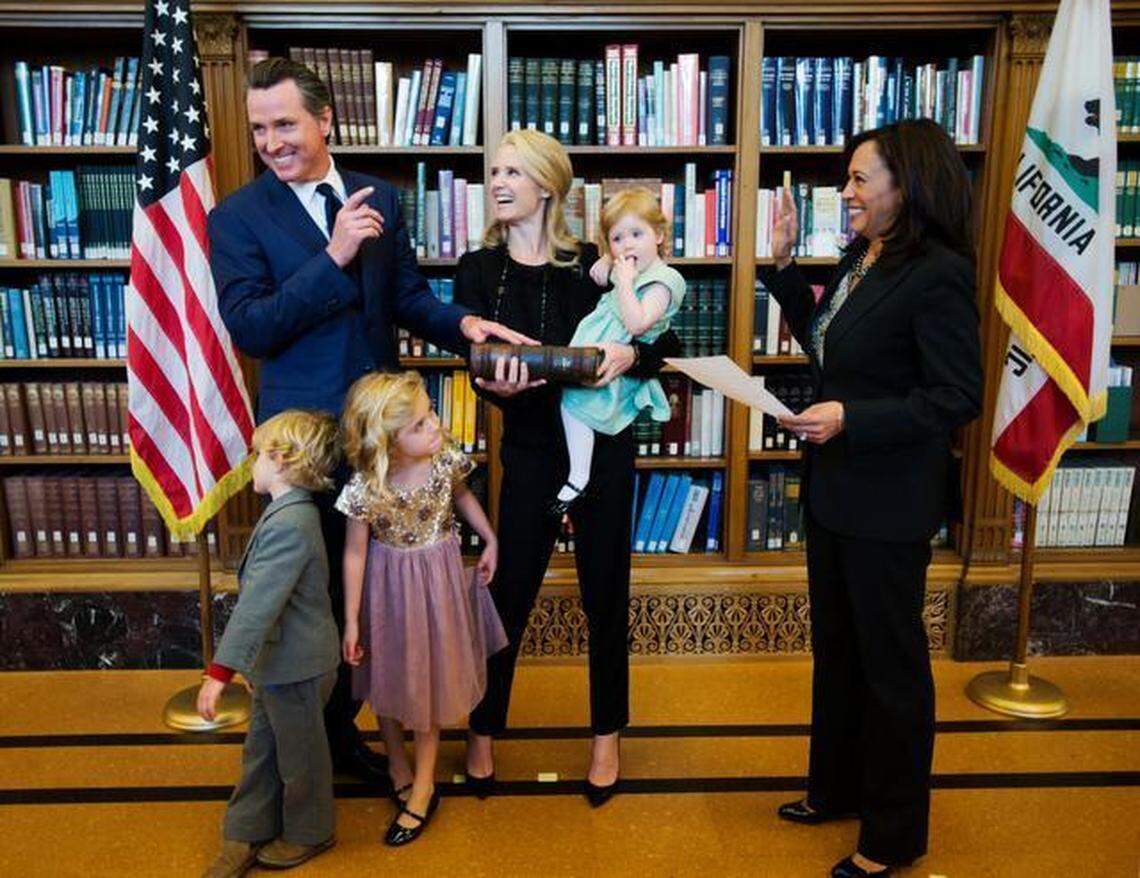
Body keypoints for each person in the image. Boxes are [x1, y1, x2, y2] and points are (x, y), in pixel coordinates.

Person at [207, 57, 527, 786]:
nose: (272, 141)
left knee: (376, 593)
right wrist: (334, 254)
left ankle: (353, 732)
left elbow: (408, 297)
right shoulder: (236, 217)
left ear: (325, 121)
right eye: (261, 129)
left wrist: (468, 324)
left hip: (385, 444)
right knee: (316, 597)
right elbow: (253, 327)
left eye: (285, 123)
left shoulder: (377, 194)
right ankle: (314, 746)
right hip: (307, 447)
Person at [762, 119, 983, 877]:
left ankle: (892, 835)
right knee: (839, 655)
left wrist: (854, 418)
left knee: (891, 672)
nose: (846, 191)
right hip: (834, 495)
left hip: (889, 504)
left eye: (860, 179)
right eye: (848, 178)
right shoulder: (864, 256)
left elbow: (957, 395)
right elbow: (828, 347)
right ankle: (836, 789)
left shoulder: (940, 272)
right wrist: (785, 267)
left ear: (906, 185)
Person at [454, 129, 681, 806]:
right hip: (527, 450)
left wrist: (629, 359)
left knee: (605, 594)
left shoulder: (595, 261)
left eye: (512, 172)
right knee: (508, 597)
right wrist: (489, 388)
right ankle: (483, 731)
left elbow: (661, 341)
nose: (496, 182)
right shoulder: (477, 269)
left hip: (603, 447)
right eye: (492, 170)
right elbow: (471, 364)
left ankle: (607, 735)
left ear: (547, 186)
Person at [338, 371, 507, 846]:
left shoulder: (442, 460)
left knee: (427, 685)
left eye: (431, 412)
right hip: (388, 591)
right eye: (419, 424)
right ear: (387, 441)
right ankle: (396, 763)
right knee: (388, 677)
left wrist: (490, 537)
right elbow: (355, 553)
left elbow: (463, 496)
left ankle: (425, 783)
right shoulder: (366, 486)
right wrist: (352, 619)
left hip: (437, 590)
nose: (435, 424)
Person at [197, 410, 341, 877]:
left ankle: (309, 831)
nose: (252, 462)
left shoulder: (289, 524)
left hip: (297, 667)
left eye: (258, 454)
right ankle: (247, 827)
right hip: (277, 664)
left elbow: (257, 606)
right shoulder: (287, 512)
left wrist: (219, 674)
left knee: (301, 760)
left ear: (280, 460)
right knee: (262, 750)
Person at [553, 186, 687, 514]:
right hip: (595, 347)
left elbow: (638, 323)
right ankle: (579, 473)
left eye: (636, 234)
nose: (626, 244)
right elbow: (604, 277)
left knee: (580, 405)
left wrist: (623, 281)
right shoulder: (629, 267)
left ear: (658, 234)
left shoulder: (663, 281)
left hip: (616, 358)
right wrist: (606, 261)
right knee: (570, 404)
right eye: (617, 238)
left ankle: (578, 476)